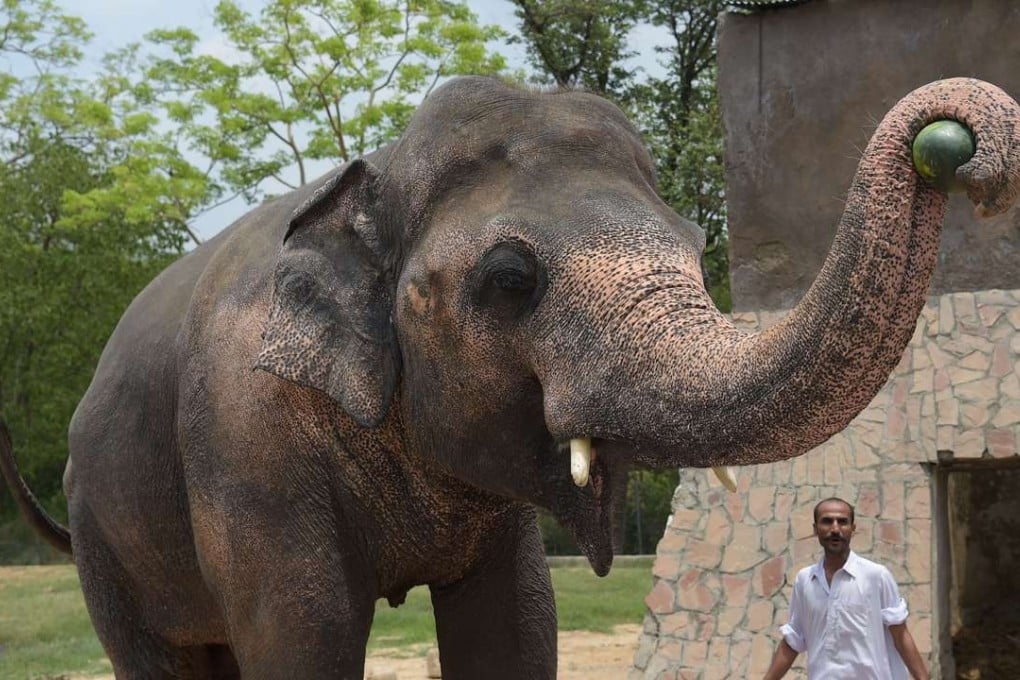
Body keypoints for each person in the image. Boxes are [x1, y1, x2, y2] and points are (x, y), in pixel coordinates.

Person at [763, 497, 929, 680]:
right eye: (827, 521)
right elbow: (793, 640)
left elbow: (901, 635)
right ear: (815, 529)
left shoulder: (876, 576)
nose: (835, 529)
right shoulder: (805, 580)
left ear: (853, 529)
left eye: (842, 522)